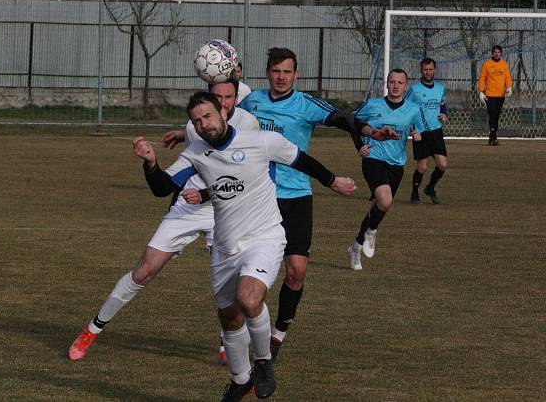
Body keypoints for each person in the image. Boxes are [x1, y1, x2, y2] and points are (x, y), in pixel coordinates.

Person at [134, 91, 357, 401]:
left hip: (264, 237)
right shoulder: (196, 153)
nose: (203, 124)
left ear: (224, 114)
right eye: (196, 121)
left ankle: (263, 361)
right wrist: (150, 163)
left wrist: (333, 181)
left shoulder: (261, 141)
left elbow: (301, 159)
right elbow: (162, 188)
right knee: (229, 317)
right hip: (225, 247)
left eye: (207, 116)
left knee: (248, 299)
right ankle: (240, 379)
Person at [68, 79, 259, 362]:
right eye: (216, 98)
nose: (222, 103)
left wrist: (207, 193)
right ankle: (91, 330)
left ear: (235, 98)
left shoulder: (249, 126)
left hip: (227, 209)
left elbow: (246, 177)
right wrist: (151, 163)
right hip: (190, 205)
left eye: (228, 97)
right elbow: (164, 187)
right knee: (144, 270)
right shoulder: (197, 131)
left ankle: (227, 342)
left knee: (230, 279)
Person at [237, 47, 398, 359]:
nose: (281, 77)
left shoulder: (304, 103)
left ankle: (278, 333)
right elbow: (223, 127)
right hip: (255, 198)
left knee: (296, 272)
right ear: (267, 72)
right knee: (246, 270)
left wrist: (370, 131)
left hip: (295, 198)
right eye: (276, 71)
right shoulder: (251, 102)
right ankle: (235, 329)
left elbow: (342, 118)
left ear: (296, 75)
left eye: (287, 71)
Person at [347, 69, 429, 270]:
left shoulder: (413, 109)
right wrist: (360, 145)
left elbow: (424, 130)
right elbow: (352, 123)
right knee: (385, 200)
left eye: (400, 82)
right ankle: (372, 231)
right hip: (373, 159)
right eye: (392, 81)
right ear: (387, 83)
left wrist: (419, 136)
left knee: (377, 206)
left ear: (406, 86)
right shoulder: (373, 104)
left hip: (397, 164)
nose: (395, 85)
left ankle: (356, 247)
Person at [406, 57, 448, 204]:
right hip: (421, 132)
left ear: (434, 70)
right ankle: (414, 192)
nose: (428, 72)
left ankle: (430, 187)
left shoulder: (441, 88)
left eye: (430, 69)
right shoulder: (414, 90)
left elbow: (442, 105)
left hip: (436, 131)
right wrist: (412, 129)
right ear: (421, 71)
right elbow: (406, 109)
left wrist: (444, 114)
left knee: (442, 164)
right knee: (422, 166)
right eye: (425, 69)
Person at [478, 45, 513, 146]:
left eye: (498, 52)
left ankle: (492, 137)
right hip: (490, 95)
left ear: (501, 53)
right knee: (492, 113)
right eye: (495, 52)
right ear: (492, 53)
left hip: (501, 95)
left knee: (497, 114)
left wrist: (509, 87)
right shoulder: (487, 64)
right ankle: (493, 135)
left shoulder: (504, 64)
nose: (497, 54)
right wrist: (481, 91)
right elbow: (482, 78)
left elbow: (508, 77)